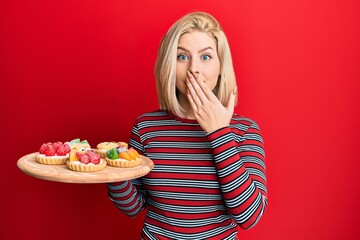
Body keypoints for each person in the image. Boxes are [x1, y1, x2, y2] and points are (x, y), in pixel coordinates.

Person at [107, 12, 268, 240]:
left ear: (221, 66)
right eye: (182, 57)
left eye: (205, 57)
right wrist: (114, 171)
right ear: (169, 66)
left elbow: (249, 216)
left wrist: (219, 133)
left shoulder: (245, 130)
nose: (194, 69)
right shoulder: (146, 127)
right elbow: (133, 207)